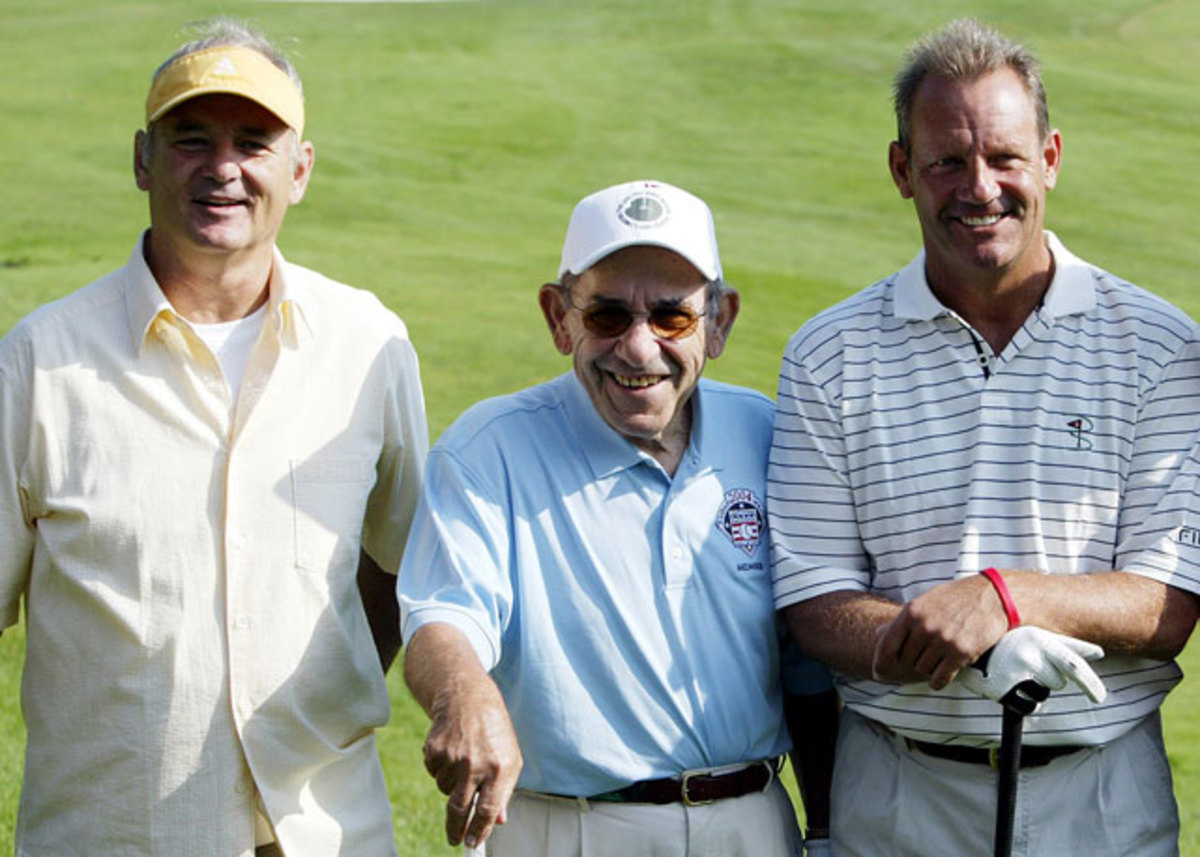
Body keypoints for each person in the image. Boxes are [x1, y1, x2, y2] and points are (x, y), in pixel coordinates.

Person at [768, 17, 1200, 857]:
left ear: (1051, 158)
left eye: (1004, 156)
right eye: (946, 161)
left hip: (1102, 791)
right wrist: (947, 644)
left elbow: (1170, 601)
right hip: (899, 791)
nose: (980, 186)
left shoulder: (1160, 345)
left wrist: (1006, 599)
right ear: (903, 170)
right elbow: (815, 605)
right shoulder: (830, 352)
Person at [0, 18, 427, 857]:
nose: (222, 167)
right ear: (140, 160)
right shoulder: (40, 360)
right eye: (190, 138)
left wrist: (314, 692)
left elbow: (405, 565)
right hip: (115, 835)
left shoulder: (367, 343)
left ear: (298, 170)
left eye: (255, 142)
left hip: (325, 832)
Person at [397, 179, 839, 856]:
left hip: (750, 823)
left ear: (719, 322)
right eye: (606, 316)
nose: (638, 348)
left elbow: (806, 664)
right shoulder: (488, 449)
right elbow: (445, 617)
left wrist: (827, 829)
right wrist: (463, 692)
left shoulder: (767, 434)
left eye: (672, 317)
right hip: (569, 828)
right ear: (558, 317)